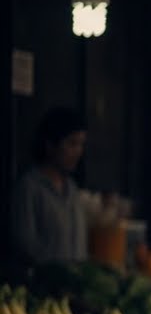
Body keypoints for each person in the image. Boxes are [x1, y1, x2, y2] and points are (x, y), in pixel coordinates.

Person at [10, 107, 89, 268]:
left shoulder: (72, 188)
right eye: (72, 143)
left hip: (75, 284)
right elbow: (25, 243)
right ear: (50, 146)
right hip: (43, 286)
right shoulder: (30, 187)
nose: (78, 152)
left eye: (81, 144)